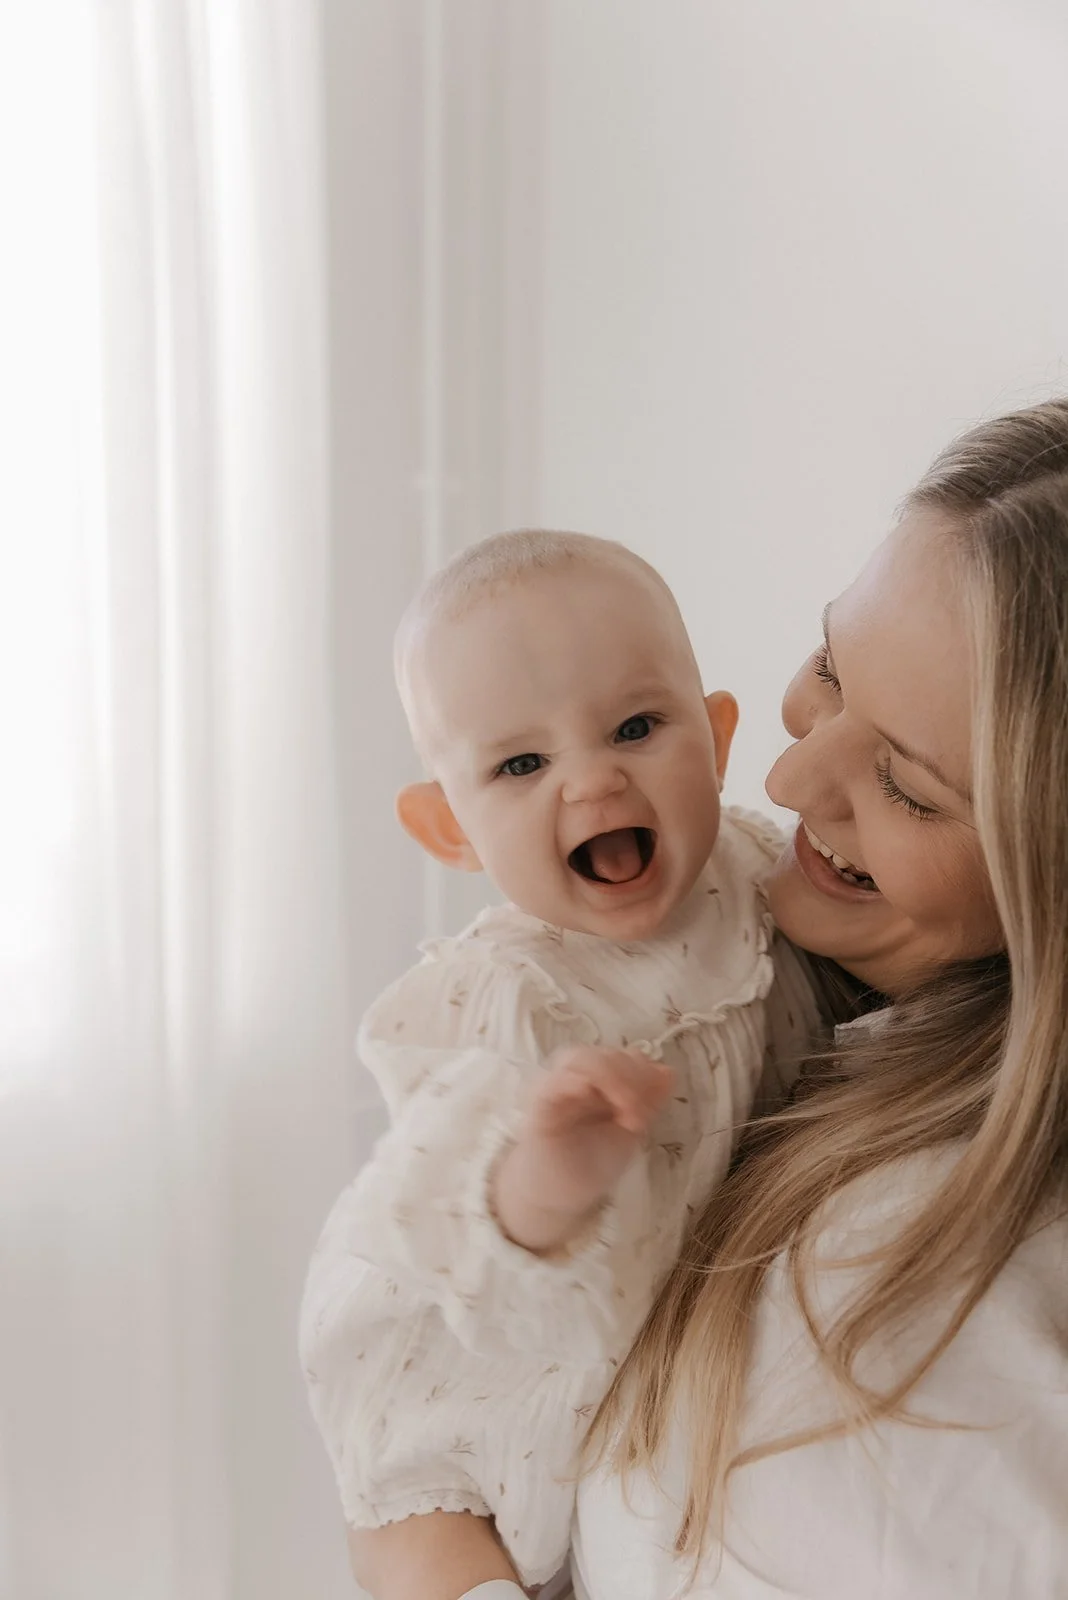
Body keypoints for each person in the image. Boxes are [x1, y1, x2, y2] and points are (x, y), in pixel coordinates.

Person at [346, 397, 1068, 1600]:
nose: (786, 777)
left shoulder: (899, 1321)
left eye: (907, 785)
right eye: (832, 667)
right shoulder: (571, 982)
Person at [299, 531, 821, 1591]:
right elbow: (473, 1220)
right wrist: (553, 1174)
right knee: (429, 1512)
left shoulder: (754, 871)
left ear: (716, 738)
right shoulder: (502, 1000)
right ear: (450, 827)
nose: (592, 780)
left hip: (654, 1304)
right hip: (467, 1323)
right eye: (522, 764)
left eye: (636, 726)